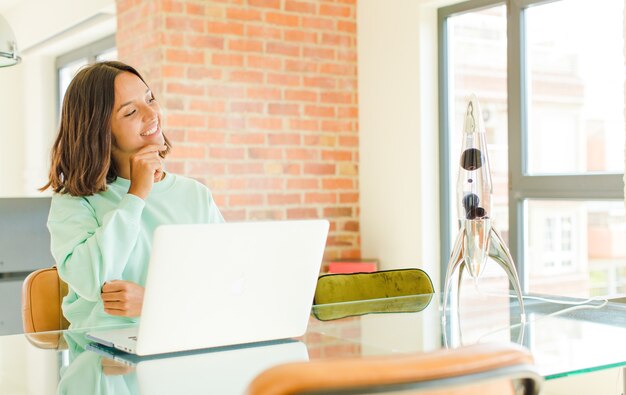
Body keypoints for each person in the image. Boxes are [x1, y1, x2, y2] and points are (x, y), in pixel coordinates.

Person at [41, 61, 224, 329]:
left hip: (181, 341)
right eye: (130, 112)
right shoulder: (75, 201)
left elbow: (223, 283)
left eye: (150, 99)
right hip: (101, 358)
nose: (152, 114)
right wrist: (136, 195)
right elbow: (92, 281)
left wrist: (153, 303)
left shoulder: (195, 195)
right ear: (99, 131)